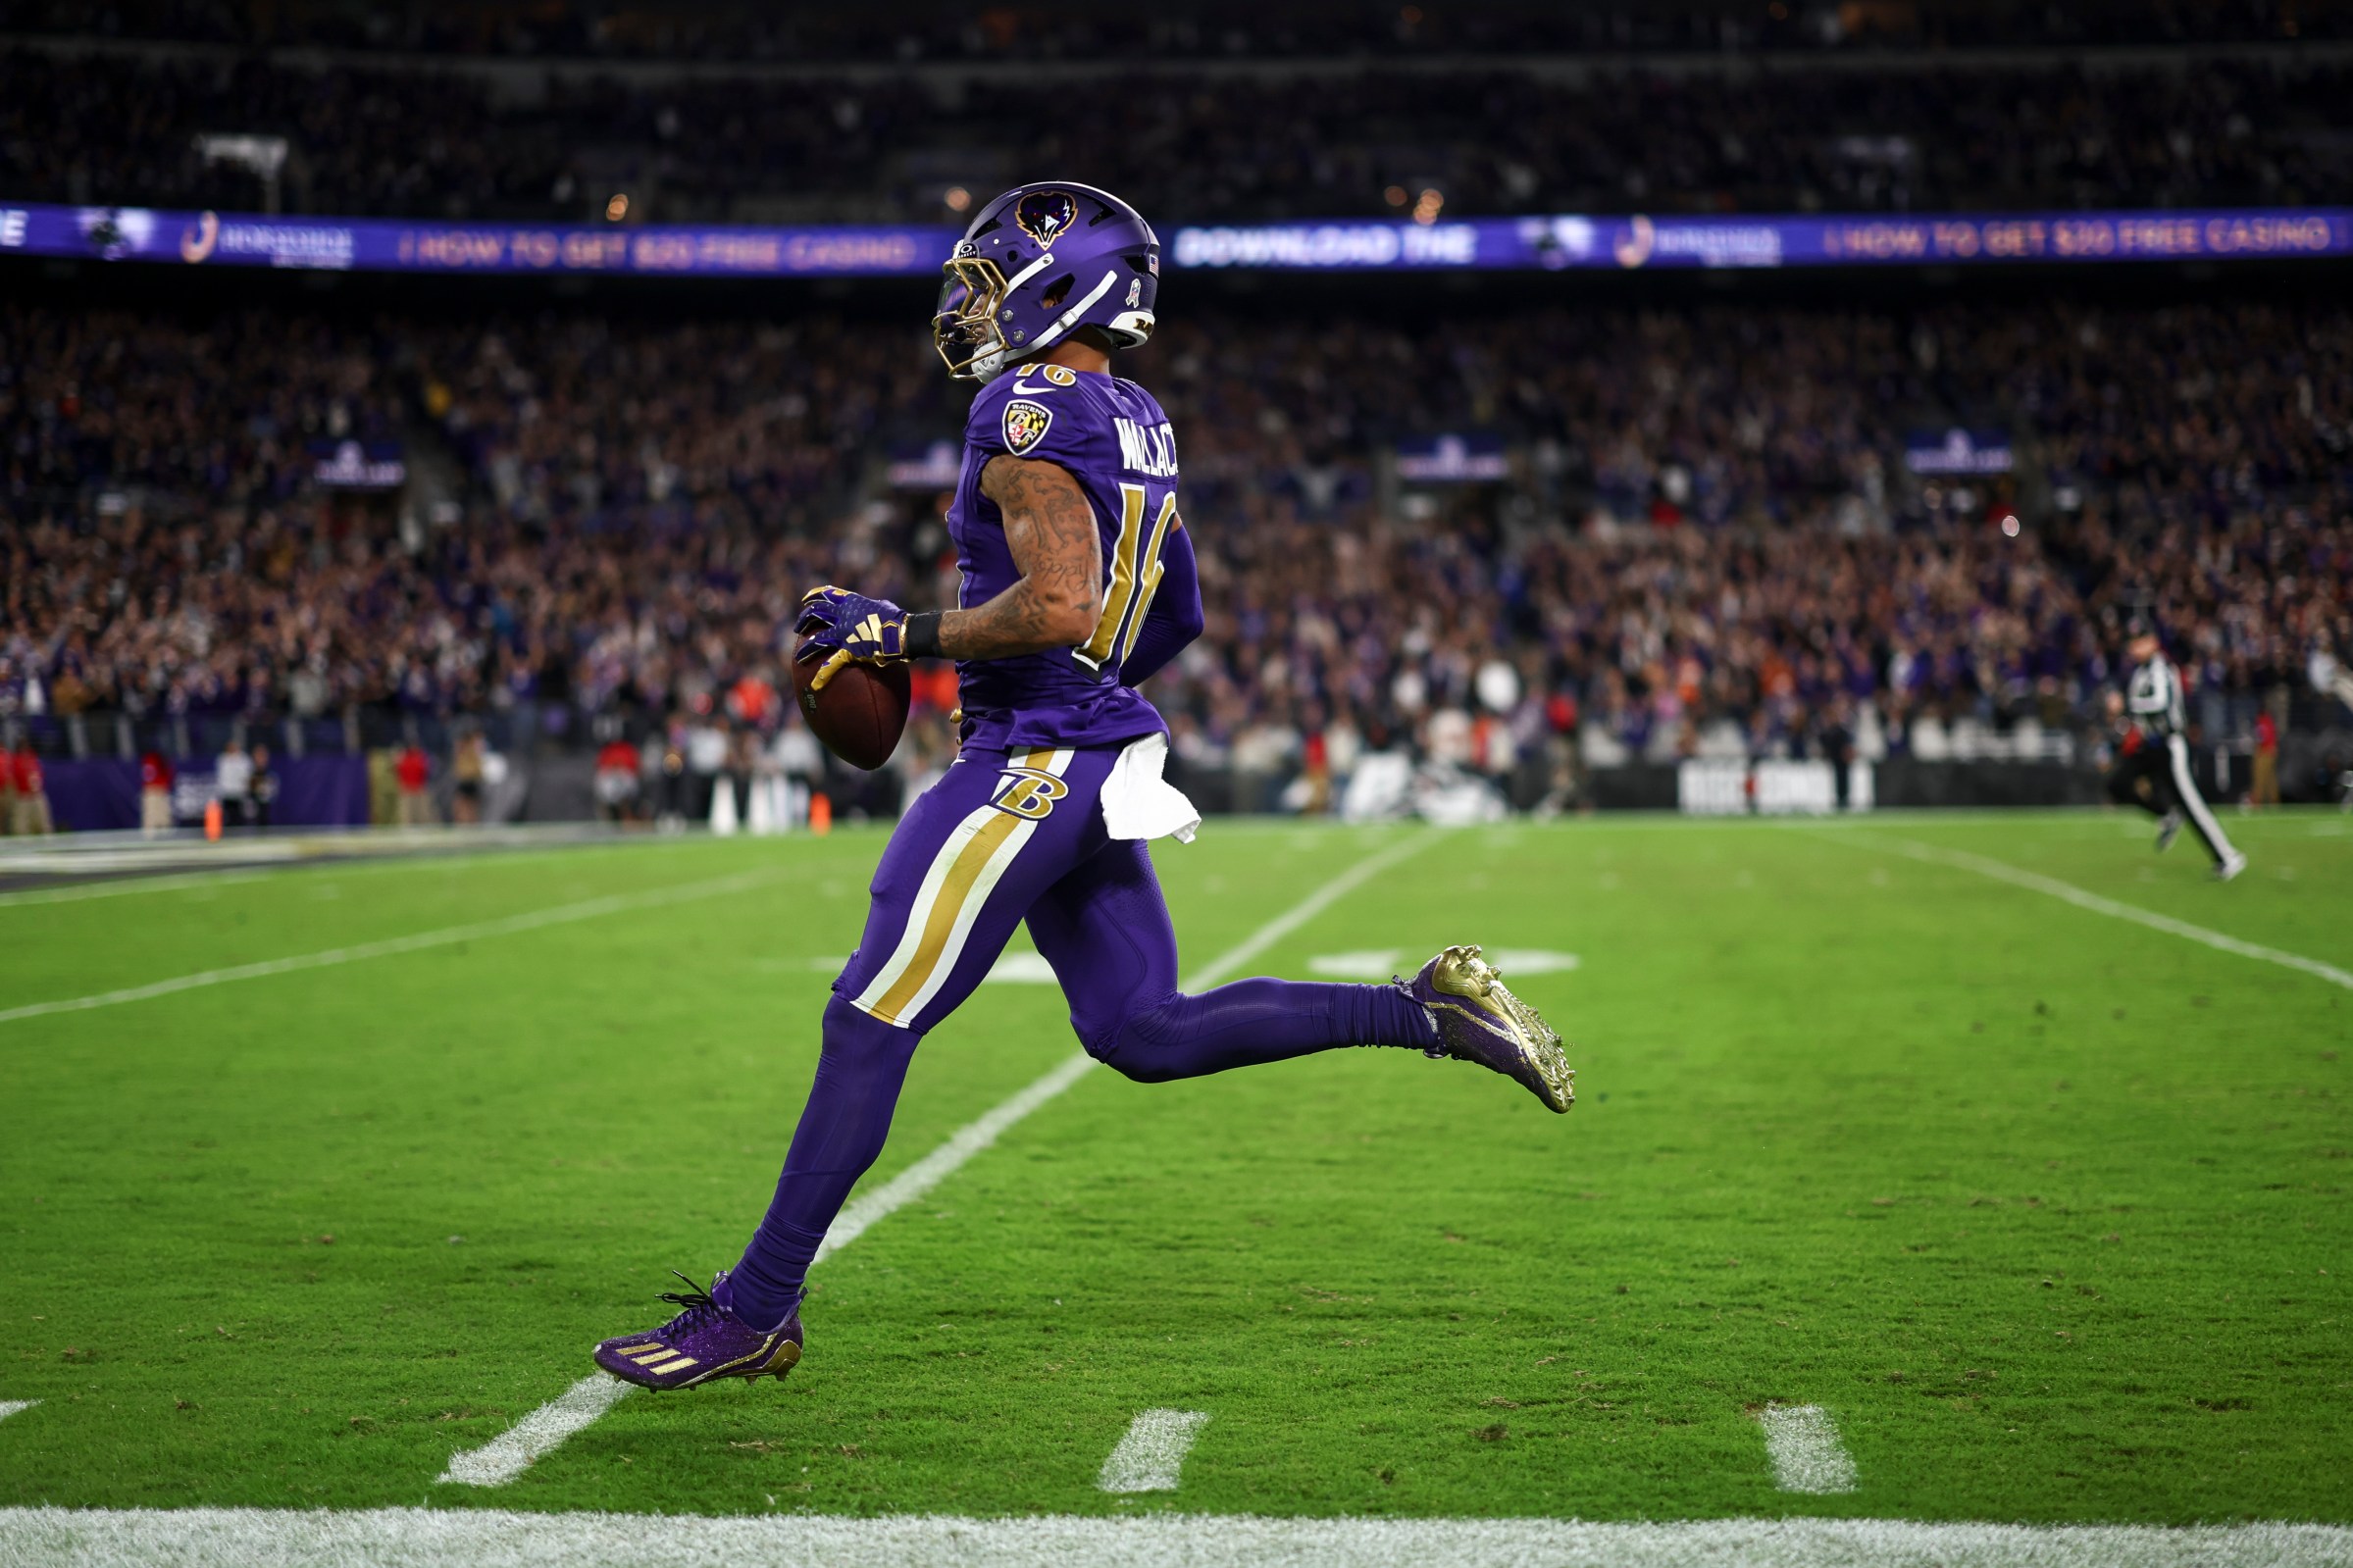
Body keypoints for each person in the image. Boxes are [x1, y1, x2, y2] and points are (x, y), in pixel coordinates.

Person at [593, 183, 1574, 1391]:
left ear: (1064, 289)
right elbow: (1178, 611)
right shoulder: (1135, 411)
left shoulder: (1023, 405)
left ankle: (753, 1307)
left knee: (869, 1015)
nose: (971, 305)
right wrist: (1093, 699)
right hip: (1087, 749)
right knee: (1139, 1030)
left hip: (1032, 762)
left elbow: (1059, 603)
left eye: (993, 281)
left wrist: (901, 639)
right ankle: (1424, 1009)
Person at [2105, 620, 2244, 880]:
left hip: (2170, 745)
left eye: (2141, 642)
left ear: (2153, 643)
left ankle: (2228, 856)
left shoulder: (2163, 669)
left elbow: (2160, 702)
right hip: (2149, 745)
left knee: (2191, 804)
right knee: (2118, 783)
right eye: (2133, 643)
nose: (2136, 648)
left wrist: (2125, 706)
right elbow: (2137, 712)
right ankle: (2166, 815)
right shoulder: (2138, 673)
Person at [10, 744, 50, 836]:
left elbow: (39, 777)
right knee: (21, 827)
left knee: (42, 825)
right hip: (23, 797)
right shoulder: (16, 762)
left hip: (36, 796)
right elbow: (12, 779)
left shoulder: (33, 760)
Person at [215, 736, 253, 829]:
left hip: (239, 793)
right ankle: (229, 833)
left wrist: (246, 789)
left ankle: (239, 832)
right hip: (227, 793)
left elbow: (247, 775)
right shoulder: (222, 759)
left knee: (239, 816)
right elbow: (221, 777)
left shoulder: (244, 759)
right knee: (228, 816)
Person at [394, 742, 433, 827]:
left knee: (423, 815)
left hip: (419, 789)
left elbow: (425, 773)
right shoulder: (403, 758)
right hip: (407, 790)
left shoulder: (421, 757)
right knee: (406, 816)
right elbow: (399, 773)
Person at [138, 748, 174, 836]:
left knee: (164, 817)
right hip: (152, 790)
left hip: (161, 790)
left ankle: (166, 836)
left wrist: (163, 784)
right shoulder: (150, 759)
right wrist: (152, 785)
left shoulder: (163, 760)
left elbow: (169, 774)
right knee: (151, 816)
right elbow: (148, 776)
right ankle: (149, 837)